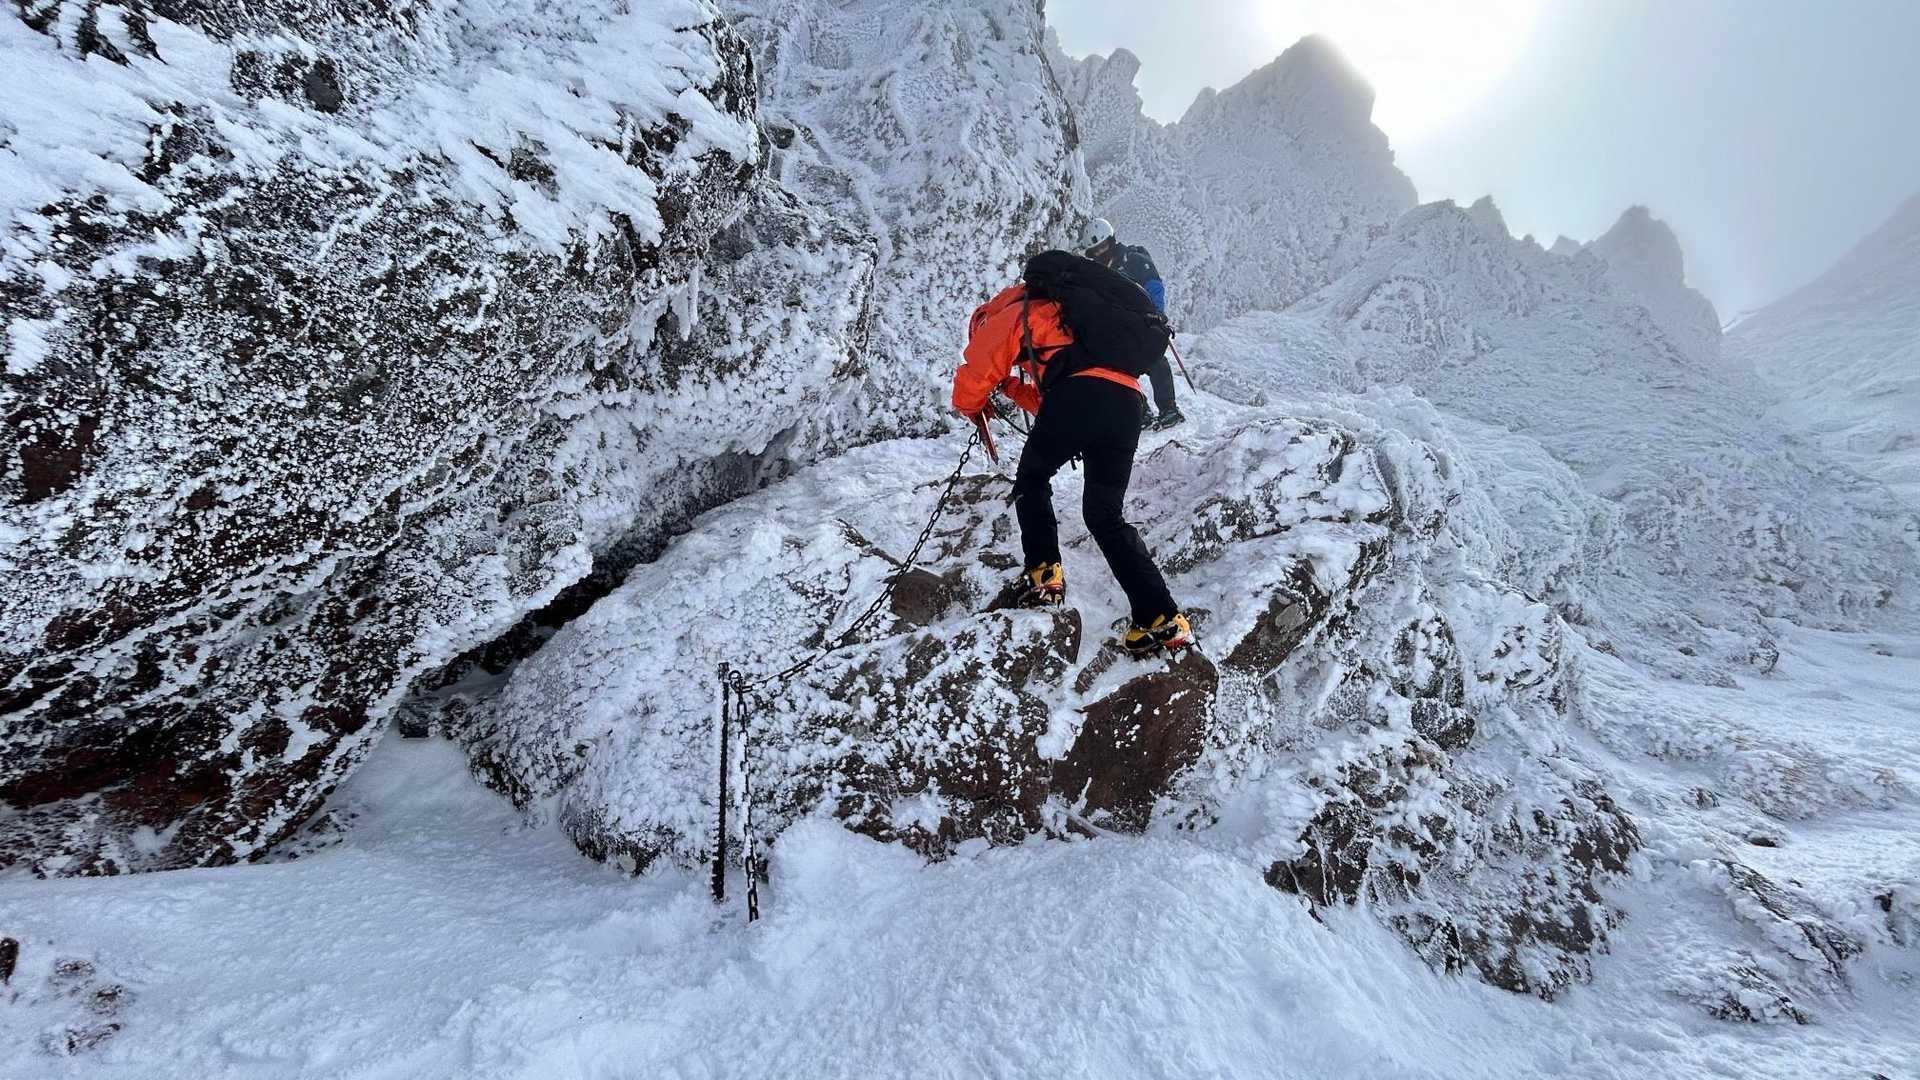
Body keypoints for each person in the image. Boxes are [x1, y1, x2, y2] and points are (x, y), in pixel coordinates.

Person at [952, 253, 1192, 657]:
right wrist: (1011, 388)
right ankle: (1161, 616)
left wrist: (969, 404)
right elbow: (1060, 405)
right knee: (1104, 515)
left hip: (1082, 395)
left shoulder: (1015, 310)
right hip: (1126, 403)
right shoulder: (1073, 320)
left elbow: (981, 365)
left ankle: (1043, 572)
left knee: (1032, 479)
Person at [1079, 218, 1182, 430]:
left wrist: (1157, 313)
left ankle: (1169, 410)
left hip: (1144, 319)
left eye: (1103, 246)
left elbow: (1154, 285)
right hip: (1117, 326)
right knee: (1118, 369)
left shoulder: (1133, 260)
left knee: (1154, 360)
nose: (1100, 252)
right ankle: (1142, 412)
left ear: (1111, 240)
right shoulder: (1097, 272)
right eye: (1096, 250)